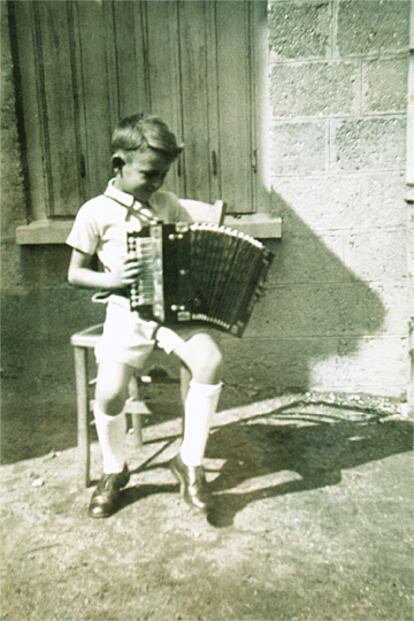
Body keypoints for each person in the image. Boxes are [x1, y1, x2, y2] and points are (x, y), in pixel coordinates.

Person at [67, 114, 223, 518]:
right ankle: (115, 471)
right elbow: (73, 273)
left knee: (210, 361)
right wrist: (113, 278)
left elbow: (192, 248)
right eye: (149, 174)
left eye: (163, 175)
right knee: (109, 392)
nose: (156, 183)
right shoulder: (95, 211)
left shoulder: (168, 204)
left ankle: (190, 463)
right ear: (119, 163)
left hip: (172, 313)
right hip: (127, 312)